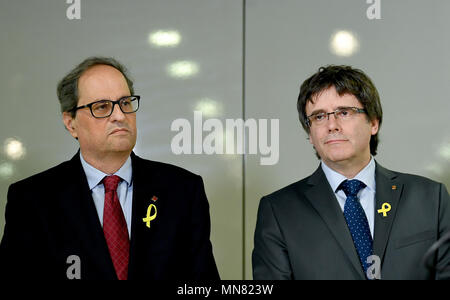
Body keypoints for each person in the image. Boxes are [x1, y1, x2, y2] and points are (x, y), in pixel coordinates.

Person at [0, 56, 220, 280]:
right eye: (102, 107)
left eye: (125, 103)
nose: (119, 116)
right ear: (71, 123)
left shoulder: (182, 190)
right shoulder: (32, 200)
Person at [252, 65, 450, 280]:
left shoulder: (431, 197)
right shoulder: (279, 211)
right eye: (319, 117)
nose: (332, 125)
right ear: (310, 134)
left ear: (373, 122)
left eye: (344, 112)